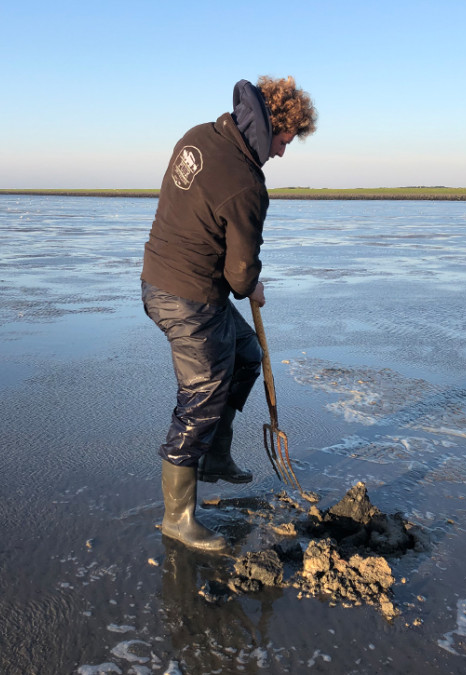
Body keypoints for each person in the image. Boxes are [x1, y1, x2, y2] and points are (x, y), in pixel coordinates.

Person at [141, 76, 317, 551]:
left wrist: (234, 280)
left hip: (161, 279)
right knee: (201, 397)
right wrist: (252, 285)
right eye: (282, 141)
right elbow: (241, 276)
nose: (281, 153)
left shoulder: (198, 136)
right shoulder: (246, 185)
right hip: (187, 298)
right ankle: (178, 517)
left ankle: (216, 456)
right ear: (268, 128)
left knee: (246, 352)